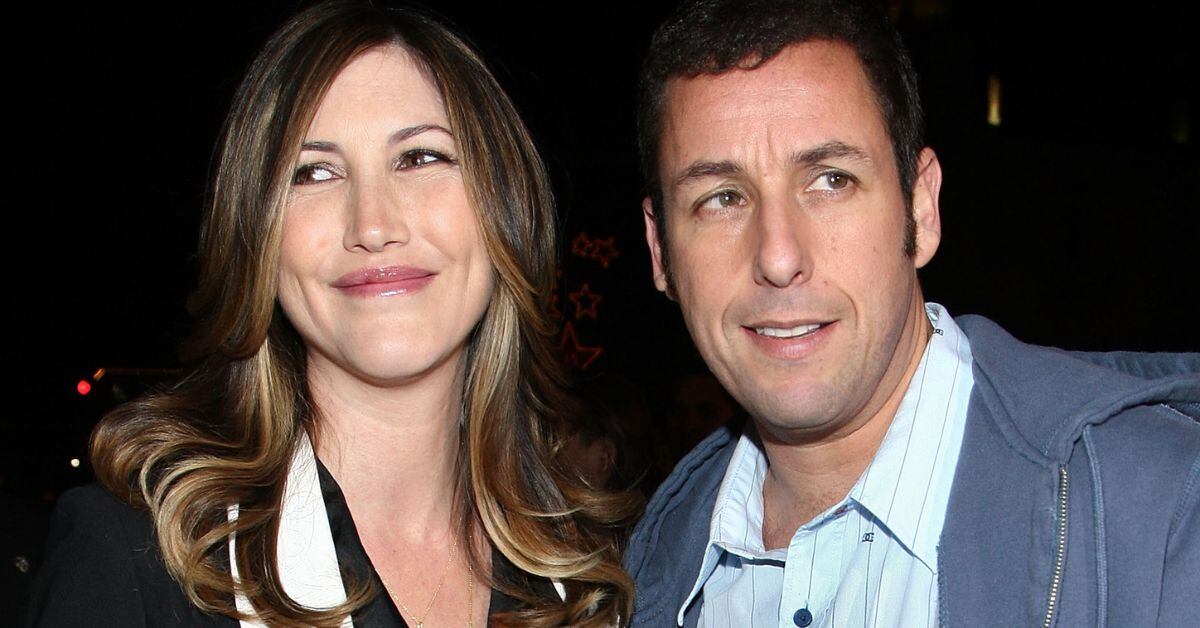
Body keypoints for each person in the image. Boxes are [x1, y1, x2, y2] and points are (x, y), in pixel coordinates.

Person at [28, 2, 637, 626]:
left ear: (504, 204)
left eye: (420, 158)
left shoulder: (592, 573)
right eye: (314, 172)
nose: (372, 225)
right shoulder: (138, 561)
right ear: (256, 234)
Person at [625, 0, 1200, 626]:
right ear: (660, 250)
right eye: (722, 198)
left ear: (921, 209)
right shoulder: (645, 567)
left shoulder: (1159, 512)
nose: (779, 257)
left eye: (831, 180)